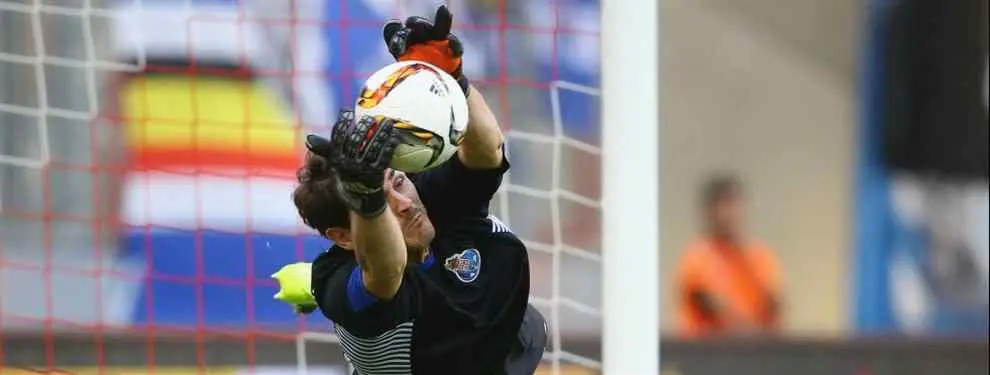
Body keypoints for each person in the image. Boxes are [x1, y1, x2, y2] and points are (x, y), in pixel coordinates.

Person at [291, 6, 545, 375]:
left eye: (397, 182)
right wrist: (367, 197)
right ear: (344, 237)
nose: (405, 202)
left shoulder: (427, 199)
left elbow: (487, 150)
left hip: (508, 346)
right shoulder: (338, 282)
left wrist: (451, 78)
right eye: (382, 201)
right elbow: (385, 269)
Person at [675, 173, 783, 338]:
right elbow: (711, 307)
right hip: (708, 353)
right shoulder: (697, 257)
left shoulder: (760, 256)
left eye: (733, 205)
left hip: (757, 352)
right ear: (709, 213)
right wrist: (751, 334)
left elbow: (774, 304)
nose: (728, 215)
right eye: (722, 206)